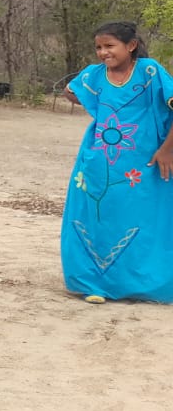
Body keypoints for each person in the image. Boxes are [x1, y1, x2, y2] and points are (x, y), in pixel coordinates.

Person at [60, 21, 173, 303]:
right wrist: (88, 101)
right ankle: (94, 283)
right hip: (99, 162)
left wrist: (167, 150)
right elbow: (70, 90)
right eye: (98, 47)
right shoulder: (96, 75)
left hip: (145, 163)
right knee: (95, 216)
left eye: (109, 46)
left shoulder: (150, 72)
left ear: (131, 46)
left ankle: (140, 284)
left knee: (142, 219)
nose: (102, 52)